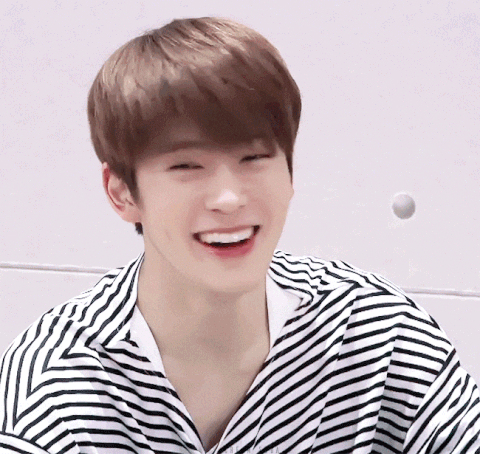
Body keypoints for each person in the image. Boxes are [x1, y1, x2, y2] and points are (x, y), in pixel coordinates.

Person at [1, 16, 479, 454]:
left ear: (290, 172)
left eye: (254, 158)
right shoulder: (52, 393)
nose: (229, 199)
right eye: (187, 166)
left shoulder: (378, 333)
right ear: (122, 192)